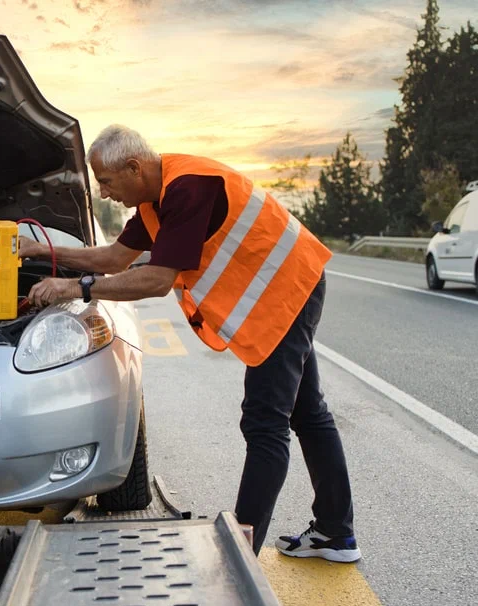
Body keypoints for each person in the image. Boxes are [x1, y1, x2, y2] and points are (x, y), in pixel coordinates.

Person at [22, 124, 360, 562]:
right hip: (285, 288)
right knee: (309, 413)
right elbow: (112, 259)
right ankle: (336, 532)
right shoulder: (153, 200)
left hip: (288, 290)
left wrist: (75, 288)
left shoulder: (188, 189)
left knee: (264, 422)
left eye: (105, 181)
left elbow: (157, 280)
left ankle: (241, 552)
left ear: (133, 166)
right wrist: (37, 251)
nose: (102, 192)